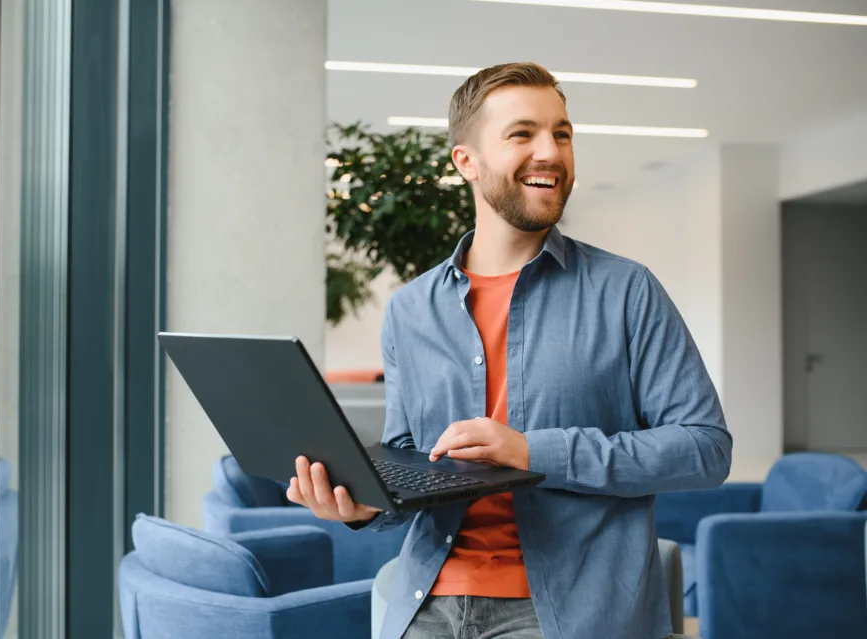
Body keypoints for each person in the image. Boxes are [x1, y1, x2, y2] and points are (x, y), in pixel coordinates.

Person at [287, 62, 732, 639]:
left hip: (570, 612)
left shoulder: (626, 291)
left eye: (562, 133)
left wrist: (532, 451)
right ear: (466, 162)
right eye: (522, 134)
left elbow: (705, 448)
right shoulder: (410, 309)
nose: (550, 151)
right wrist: (365, 507)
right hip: (425, 604)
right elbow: (409, 456)